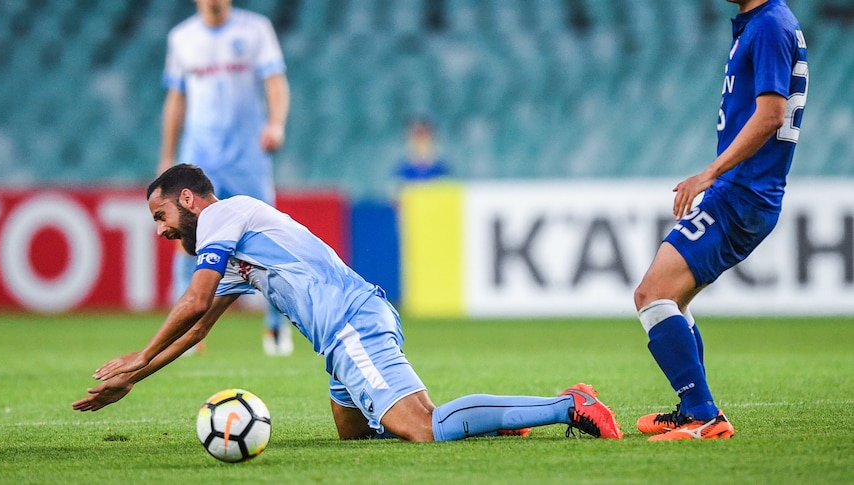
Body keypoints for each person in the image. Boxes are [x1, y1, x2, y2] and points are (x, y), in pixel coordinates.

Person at [72, 164, 623, 442]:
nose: (162, 230)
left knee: (422, 428)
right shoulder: (237, 252)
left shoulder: (222, 216)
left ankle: (567, 404)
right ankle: (495, 421)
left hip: (352, 325)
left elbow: (192, 302)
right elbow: (197, 330)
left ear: (188, 200)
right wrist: (133, 378)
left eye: (161, 217)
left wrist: (138, 356)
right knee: (355, 436)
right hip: (342, 340)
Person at [633, 0, 807, 441]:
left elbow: (771, 114)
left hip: (742, 192)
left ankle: (703, 415)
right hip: (744, 191)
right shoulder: (764, 23)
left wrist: (709, 173)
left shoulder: (769, 25)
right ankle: (694, 408)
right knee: (672, 299)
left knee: (652, 294)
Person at [158, 0, 293, 356]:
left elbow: (276, 82)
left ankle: (276, 326)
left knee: (265, 236)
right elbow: (176, 99)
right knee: (186, 236)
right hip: (200, 155)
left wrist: (276, 124)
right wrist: (167, 156)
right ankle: (184, 331)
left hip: (248, 155)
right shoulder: (182, 37)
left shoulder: (255, 29)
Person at [393, 117, 450, 183]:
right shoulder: (401, 173)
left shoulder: (442, 171)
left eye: (424, 137)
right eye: (416, 137)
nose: (420, 143)